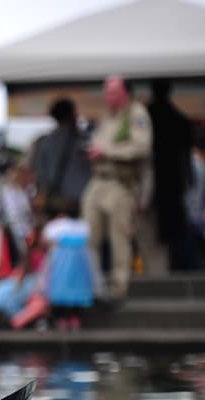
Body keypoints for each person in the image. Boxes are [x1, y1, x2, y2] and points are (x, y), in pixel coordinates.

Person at [82, 75, 151, 302]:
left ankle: (118, 287)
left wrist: (107, 151)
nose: (107, 96)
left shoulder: (136, 114)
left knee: (118, 236)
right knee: (88, 235)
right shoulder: (106, 115)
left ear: (125, 93)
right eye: (106, 91)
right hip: (98, 179)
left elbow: (141, 147)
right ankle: (92, 284)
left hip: (120, 181)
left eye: (112, 91)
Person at [147, 80, 196, 270]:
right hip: (170, 179)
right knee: (171, 226)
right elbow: (187, 154)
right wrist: (188, 179)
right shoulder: (178, 119)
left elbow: (186, 153)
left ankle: (174, 265)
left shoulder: (149, 116)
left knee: (162, 226)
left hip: (162, 178)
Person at [40, 199, 96, 331]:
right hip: (81, 265)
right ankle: (75, 318)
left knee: (60, 290)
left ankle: (62, 319)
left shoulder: (56, 226)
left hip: (60, 265)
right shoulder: (84, 226)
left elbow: (45, 241)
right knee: (78, 291)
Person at [31, 98, 91, 217]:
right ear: (73, 114)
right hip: (83, 200)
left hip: (56, 201)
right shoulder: (85, 139)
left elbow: (40, 174)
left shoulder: (45, 142)